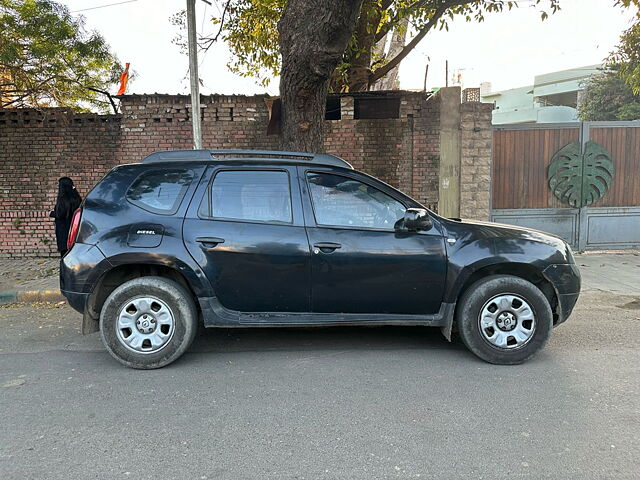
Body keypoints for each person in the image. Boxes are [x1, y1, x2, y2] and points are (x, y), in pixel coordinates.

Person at [49, 177, 82, 257]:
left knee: (64, 253)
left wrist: (52, 213)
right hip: (74, 228)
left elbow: (60, 214)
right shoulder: (77, 198)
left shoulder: (62, 199)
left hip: (63, 230)